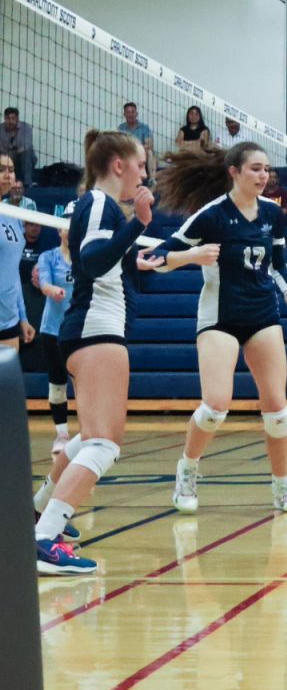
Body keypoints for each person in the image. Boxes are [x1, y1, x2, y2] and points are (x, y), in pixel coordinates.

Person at [150, 141, 287, 515]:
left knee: (277, 410)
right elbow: (154, 259)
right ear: (234, 172)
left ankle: (282, 487)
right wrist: (190, 256)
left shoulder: (273, 214)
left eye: (266, 170)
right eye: (256, 169)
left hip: (262, 314)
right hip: (219, 317)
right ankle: (187, 471)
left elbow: (277, 267)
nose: (264, 176)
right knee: (215, 407)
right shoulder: (211, 216)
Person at [35, 130, 161, 575]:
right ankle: (45, 538)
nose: (145, 173)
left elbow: (110, 264)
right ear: (119, 164)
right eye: (141, 164)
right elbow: (90, 263)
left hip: (91, 330)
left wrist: (146, 256)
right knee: (104, 444)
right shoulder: (100, 204)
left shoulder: (98, 208)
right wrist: (140, 224)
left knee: (90, 440)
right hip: (95, 331)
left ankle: (36, 512)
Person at [31, 201, 76, 534]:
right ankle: (61, 434)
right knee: (57, 385)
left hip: (81, 330)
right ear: (59, 228)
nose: (70, 228)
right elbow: (44, 282)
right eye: (66, 223)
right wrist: (51, 289)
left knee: (81, 384)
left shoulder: (88, 256)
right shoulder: (48, 257)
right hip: (52, 329)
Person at [0, 154, 36, 353]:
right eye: (1, 169)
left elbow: (13, 272)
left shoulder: (14, 216)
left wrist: (22, 317)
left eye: (11, 170)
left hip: (9, 322)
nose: (8, 175)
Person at [118, 101, 157, 177]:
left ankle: (152, 179)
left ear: (136, 114)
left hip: (142, 152)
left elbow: (149, 145)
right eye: (128, 112)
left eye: (132, 112)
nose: (130, 115)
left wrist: (139, 150)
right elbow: (120, 145)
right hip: (128, 153)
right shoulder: (121, 128)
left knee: (150, 152)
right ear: (124, 114)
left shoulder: (144, 127)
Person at [1, 107, 36, 184]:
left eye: (13, 118)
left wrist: (12, 153)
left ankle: (27, 184)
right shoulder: (0, 129)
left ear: (17, 118)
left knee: (27, 153)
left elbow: (26, 146)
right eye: (8, 118)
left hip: (22, 158)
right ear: (4, 118)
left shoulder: (26, 128)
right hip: (6, 158)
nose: (10, 121)